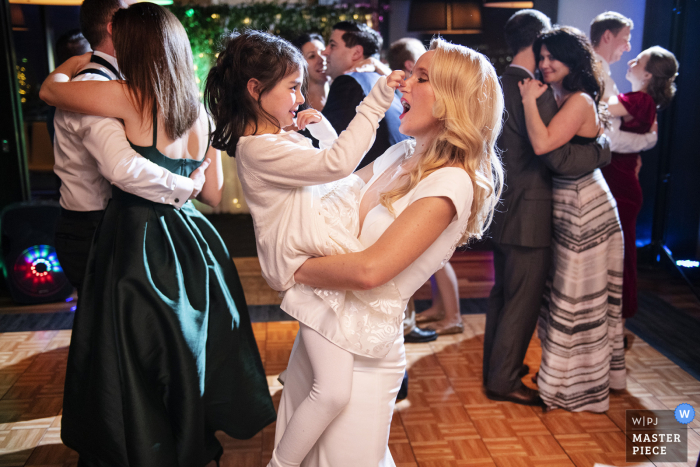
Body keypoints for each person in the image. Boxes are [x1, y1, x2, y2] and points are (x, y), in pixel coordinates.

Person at [40, 4, 275, 465]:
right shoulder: (198, 108)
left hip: (137, 238)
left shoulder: (126, 96)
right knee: (187, 347)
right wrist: (189, 180)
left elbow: (54, 94)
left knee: (132, 355)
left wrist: (69, 66)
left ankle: (146, 444)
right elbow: (213, 192)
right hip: (195, 239)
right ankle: (191, 435)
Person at [282, 37, 504, 465]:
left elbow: (371, 270)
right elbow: (332, 192)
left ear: (452, 100)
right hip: (323, 329)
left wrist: (292, 269)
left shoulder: (451, 182)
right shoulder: (403, 153)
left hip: (363, 357)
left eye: (421, 78)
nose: (402, 84)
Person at [203, 29, 406, 467]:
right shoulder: (258, 149)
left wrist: (323, 127)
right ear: (255, 90)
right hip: (304, 271)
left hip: (319, 264)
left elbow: (337, 179)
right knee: (332, 391)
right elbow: (337, 165)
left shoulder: (281, 137)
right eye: (292, 87)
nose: (300, 96)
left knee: (322, 384)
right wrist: (376, 100)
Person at [484, 9, 612, 407]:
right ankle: (503, 380)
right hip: (531, 211)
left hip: (503, 205)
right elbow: (556, 158)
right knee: (521, 302)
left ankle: (497, 367)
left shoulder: (496, 81)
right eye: (544, 50)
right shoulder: (530, 89)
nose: (545, 61)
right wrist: (602, 149)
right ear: (539, 40)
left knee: (503, 294)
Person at [50, 0, 201, 295]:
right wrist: (186, 186)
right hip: (93, 229)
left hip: (110, 224)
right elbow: (121, 167)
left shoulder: (116, 83)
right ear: (115, 28)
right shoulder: (93, 84)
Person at [519, 26, 625, 412]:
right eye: (541, 57)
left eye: (553, 57)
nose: (545, 64)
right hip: (571, 203)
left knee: (578, 299)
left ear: (572, 58)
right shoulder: (567, 95)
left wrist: (530, 100)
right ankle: (571, 378)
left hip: (585, 208)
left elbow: (543, 143)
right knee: (569, 297)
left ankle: (577, 388)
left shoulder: (578, 99)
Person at [599, 45, 679, 321]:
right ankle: (616, 315)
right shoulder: (639, 100)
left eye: (639, 60)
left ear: (647, 75)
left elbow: (602, 108)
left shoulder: (640, 101)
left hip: (621, 185)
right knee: (619, 253)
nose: (631, 60)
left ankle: (620, 313)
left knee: (622, 255)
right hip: (620, 181)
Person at [321, 21, 408, 169]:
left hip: (371, 183)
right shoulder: (383, 82)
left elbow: (323, 145)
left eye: (333, 45)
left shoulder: (347, 82)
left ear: (356, 52)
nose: (325, 51)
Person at [291, 33, 329, 111]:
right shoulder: (295, 109)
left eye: (322, 52)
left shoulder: (343, 96)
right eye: (312, 56)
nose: (321, 59)